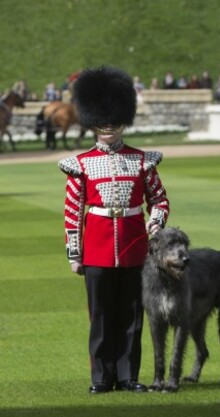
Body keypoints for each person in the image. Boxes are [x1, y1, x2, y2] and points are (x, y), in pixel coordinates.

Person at [58, 66, 170, 394]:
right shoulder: (81, 163)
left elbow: (159, 200)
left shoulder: (141, 160)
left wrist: (156, 220)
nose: (109, 126)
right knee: (101, 318)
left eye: (113, 120)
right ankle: (101, 378)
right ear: (94, 123)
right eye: (103, 121)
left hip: (134, 246)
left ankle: (128, 376)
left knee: (132, 317)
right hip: (96, 248)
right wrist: (74, 253)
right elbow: (72, 212)